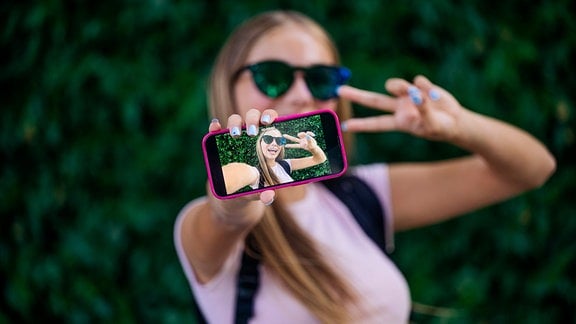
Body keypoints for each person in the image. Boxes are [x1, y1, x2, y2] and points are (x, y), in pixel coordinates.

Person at [174, 10, 556, 324]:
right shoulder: (198, 226)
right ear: (228, 85)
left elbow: (533, 169)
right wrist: (237, 199)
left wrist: (461, 127)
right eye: (273, 78)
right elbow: (227, 217)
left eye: (321, 80)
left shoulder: (364, 194)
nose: (301, 94)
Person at [221, 127, 327, 194]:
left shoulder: (285, 164)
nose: (274, 143)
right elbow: (239, 174)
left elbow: (320, 159)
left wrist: (313, 148)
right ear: (260, 144)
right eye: (268, 139)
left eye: (279, 140)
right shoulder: (256, 173)